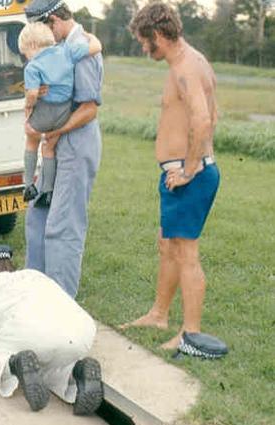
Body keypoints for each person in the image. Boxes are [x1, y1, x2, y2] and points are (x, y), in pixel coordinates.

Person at [123, 2, 220, 350]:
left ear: (159, 35)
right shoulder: (188, 61)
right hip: (180, 173)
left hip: (189, 176)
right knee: (167, 244)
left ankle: (188, 334)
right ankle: (159, 314)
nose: (142, 47)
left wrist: (191, 168)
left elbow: (203, 120)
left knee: (185, 252)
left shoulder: (186, 68)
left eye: (143, 40)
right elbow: (215, 112)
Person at [23, 0, 104, 299]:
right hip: (53, 145)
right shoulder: (56, 51)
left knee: (62, 227)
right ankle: (35, 294)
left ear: (54, 21)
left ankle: (60, 306)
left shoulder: (79, 52)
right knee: (38, 216)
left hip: (73, 146)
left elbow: (88, 109)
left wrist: (53, 132)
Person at [0, 245, 103, 414]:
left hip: (33, 334)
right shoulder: (35, 275)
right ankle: (77, 371)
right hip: (82, 333)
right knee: (46, 362)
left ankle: (14, 364)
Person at [18, 22, 101, 207]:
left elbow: (32, 94)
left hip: (46, 112)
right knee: (49, 147)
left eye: (25, 53)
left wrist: (28, 110)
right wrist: (90, 36)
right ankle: (47, 191)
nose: (27, 58)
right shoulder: (67, 51)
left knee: (32, 140)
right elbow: (96, 47)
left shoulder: (33, 67)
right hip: (64, 113)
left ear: (32, 46)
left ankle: (29, 185)